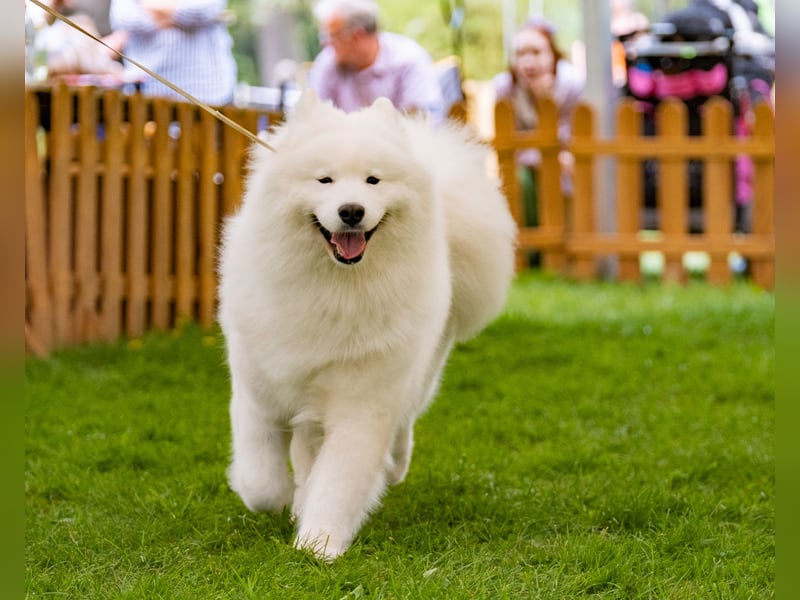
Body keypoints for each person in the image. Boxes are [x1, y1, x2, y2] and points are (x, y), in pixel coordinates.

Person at [492, 17, 583, 230]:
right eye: (521, 54)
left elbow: (574, 135)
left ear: (553, 54)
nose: (528, 63)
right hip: (527, 166)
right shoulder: (505, 88)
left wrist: (546, 99)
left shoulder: (572, 84)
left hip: (567, 165)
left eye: (536, 52)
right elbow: (510, 141)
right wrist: (541, 155)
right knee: (519, 179)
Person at [306, 0, 444, 122]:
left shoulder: (408, 60)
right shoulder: (326, 62)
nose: (325, 44)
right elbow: (313, 117)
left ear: (358, 36)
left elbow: (421, 123)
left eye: (332, 36)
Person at [109, 0, 237, 105]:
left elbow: (205, 9)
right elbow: (126, 19)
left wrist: (145, 4)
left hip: (208, 94)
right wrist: (180, 15)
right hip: (147, 94)